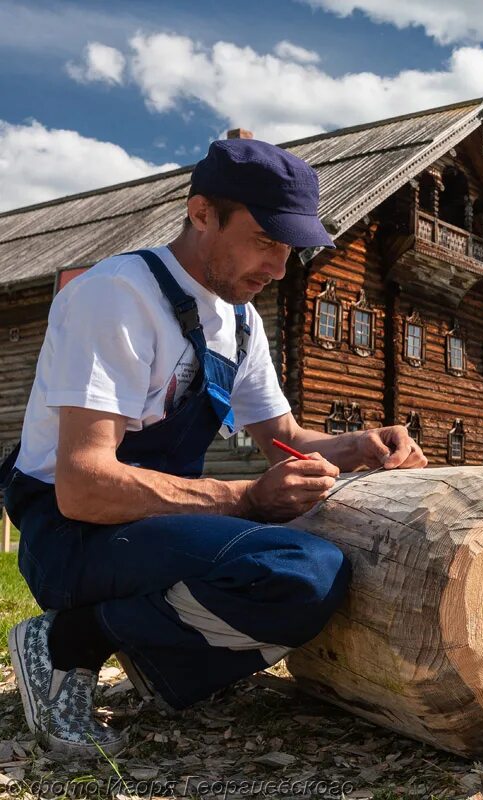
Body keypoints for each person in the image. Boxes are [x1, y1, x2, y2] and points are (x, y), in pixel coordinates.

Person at [0, 138, 427, 758]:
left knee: (317, 568)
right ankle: (69, 640)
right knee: (300, 572)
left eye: (290, 248)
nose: (281, 267)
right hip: (72, 534)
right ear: (202, 214)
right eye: (265, 241)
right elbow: (84, 484)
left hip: (154, 527)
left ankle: (155, 657)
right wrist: (248, 497)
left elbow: (287, 440)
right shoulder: (116, 296)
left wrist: (357, 446)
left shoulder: (239, 320)